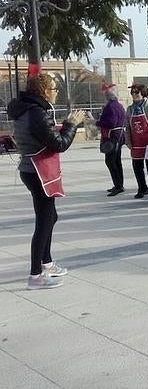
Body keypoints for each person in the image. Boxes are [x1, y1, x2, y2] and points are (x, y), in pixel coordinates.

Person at [8, 71, 86, 289]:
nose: (56, 92)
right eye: (54, 88)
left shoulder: (27, 110)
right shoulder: (36, 113)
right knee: (43, 222)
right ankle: (35, 276)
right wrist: (71, 124)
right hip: (38, 172)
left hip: (31, 169)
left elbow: (44, 135)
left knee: (51, 217)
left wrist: (62, 126)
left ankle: (47, 262)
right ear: (43, 91)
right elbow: (58, 144)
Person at [124, 83, 148, 200]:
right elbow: (127, 127)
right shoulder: (130, 109)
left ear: (143, 93)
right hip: (136, 143)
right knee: (137, 167)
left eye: (137, 92)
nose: (134, 95)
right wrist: (128, 141)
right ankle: (142, 188)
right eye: (132, 93)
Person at [97, 83, 126, 196]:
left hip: (112, 137)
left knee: (111, 161)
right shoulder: (118, 105)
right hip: (118, 136)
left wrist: (97, 122)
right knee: (116, 161)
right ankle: (119, 184)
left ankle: (118, 185)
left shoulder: (110, 106)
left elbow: (111, 123)